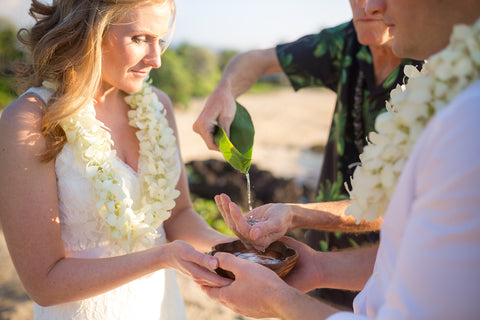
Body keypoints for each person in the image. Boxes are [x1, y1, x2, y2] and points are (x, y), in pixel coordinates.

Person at [201, 0, 480, 319]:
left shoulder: (457, 99)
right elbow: (257, 59)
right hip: (342, 264)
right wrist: (225, 91)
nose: (368, 6)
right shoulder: (347, 43)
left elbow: (395, 208)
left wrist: (276, 297)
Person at [0, 1, 232, 319]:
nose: (157, 59)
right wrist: (162, 257)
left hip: (162, 308)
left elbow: (178, 216)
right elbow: (43, 282)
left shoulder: (158, 105)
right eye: (139, 38)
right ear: (89, 32)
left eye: (160, 40)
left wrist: (233, 247)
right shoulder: (30, 119)